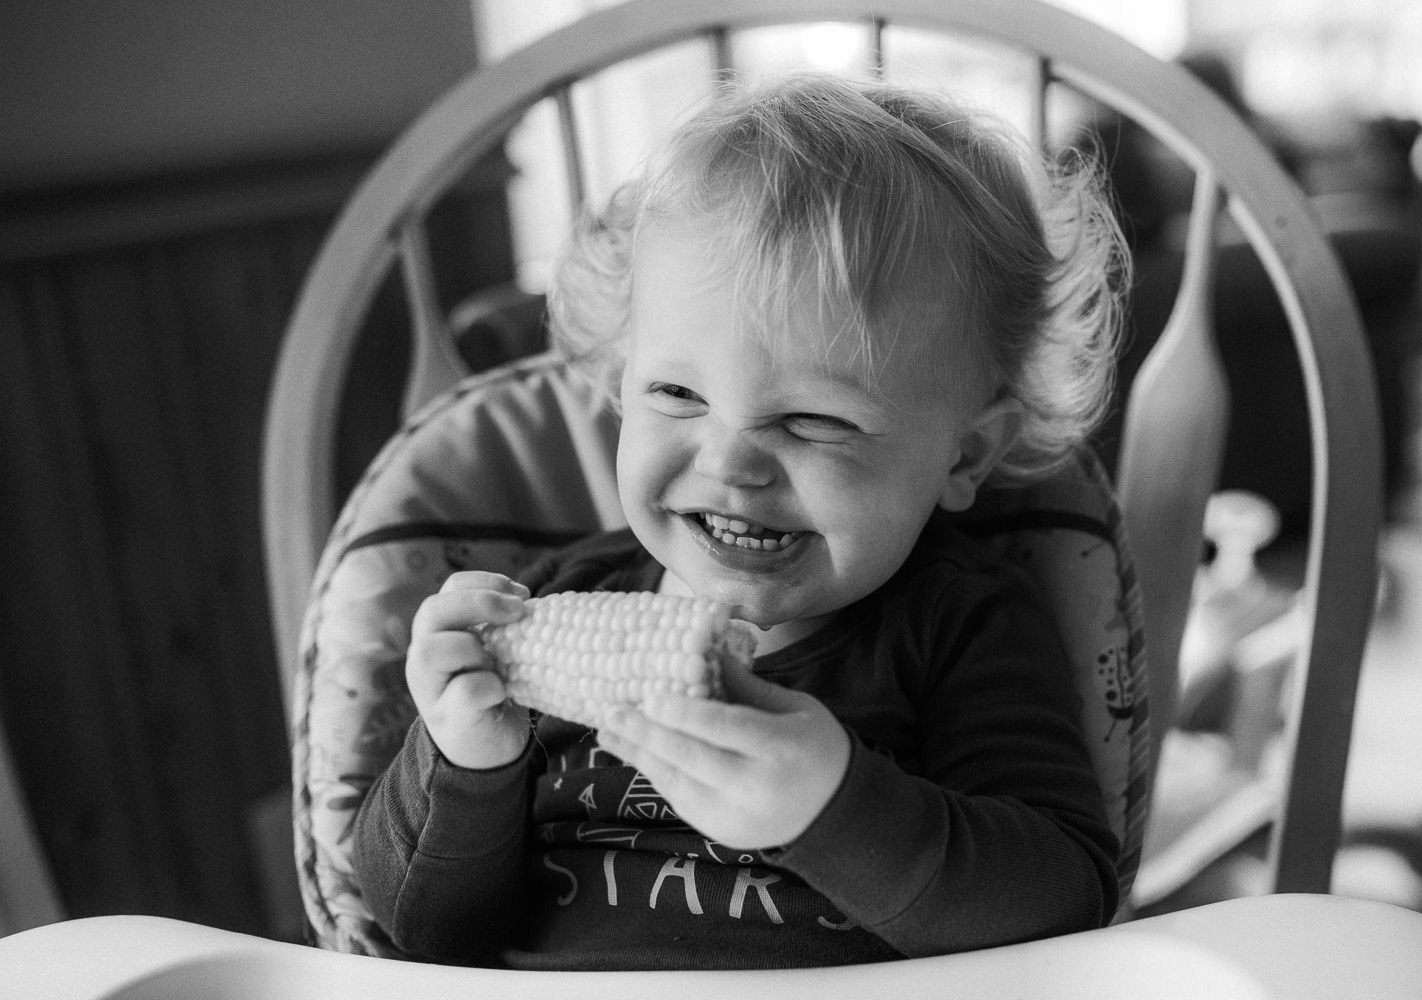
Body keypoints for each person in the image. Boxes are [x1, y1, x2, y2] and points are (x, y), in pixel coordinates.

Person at [352, 73, 1129, 971]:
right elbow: (424, 936)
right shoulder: (552, 601)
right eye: (678, 394)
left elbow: (1064, 906)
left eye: (814, 420)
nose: (728, 462)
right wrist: (462, 761)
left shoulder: (961, 626)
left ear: (963, 458)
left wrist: (832, 808)